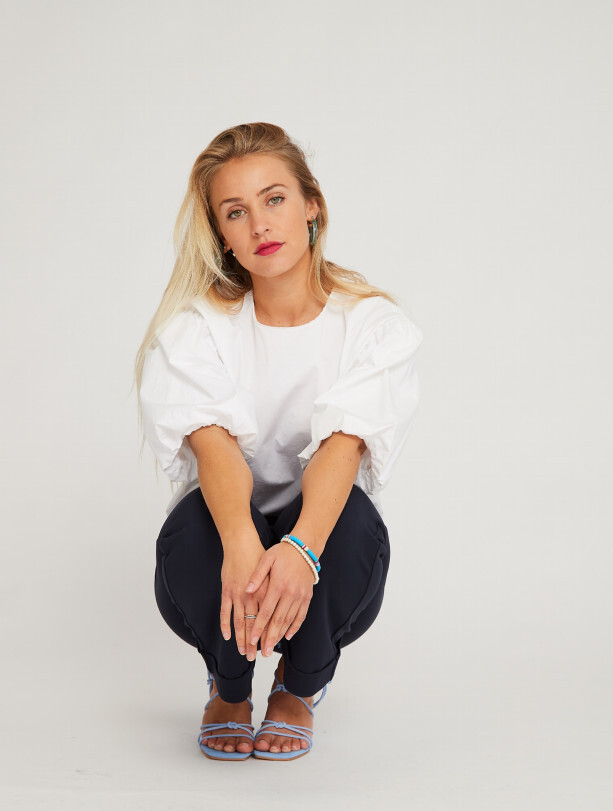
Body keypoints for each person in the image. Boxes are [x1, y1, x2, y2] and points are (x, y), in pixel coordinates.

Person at [134, 122, 423, 762]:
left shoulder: (373, 325)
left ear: (311, 206)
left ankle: (299, 684)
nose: (260, 225)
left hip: (324, 532)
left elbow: (341, 449)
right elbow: (215, 450)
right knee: (197, 530)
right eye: (236, 212)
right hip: (226, 523)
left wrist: (300, 549)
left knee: (348, 524)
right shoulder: (197, 328)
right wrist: (242, 543)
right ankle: (228, 686)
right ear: (222, 234)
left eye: (275, 199)